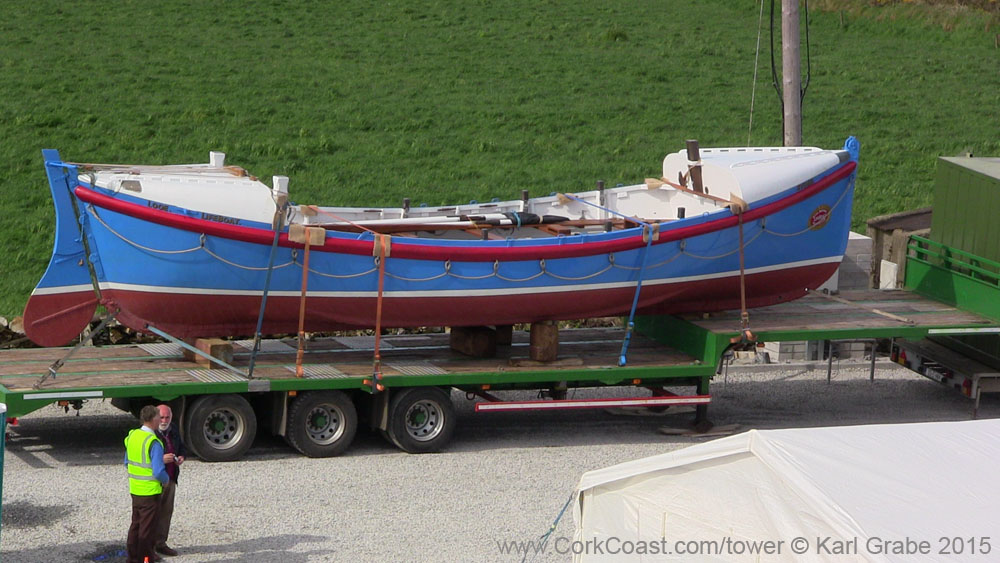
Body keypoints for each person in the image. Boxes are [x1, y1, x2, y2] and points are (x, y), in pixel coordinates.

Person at [125, 405, 169, 563]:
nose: (161, 420)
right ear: (152, 419)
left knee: (135, 526)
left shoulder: (132, 436)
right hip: (150, 492)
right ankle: (146, 559)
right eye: (159, 417)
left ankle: (132, 558)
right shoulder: (154, 442)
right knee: (147, 530)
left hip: (135, 490)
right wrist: (166, 480)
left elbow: (126, 462)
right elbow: (158, 471)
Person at [154, 404, 186, 557]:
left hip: (171, 478)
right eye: (161, 417)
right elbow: (141, 458)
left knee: (166, 512)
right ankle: (148, 547)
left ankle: (161, 543)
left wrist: (181, 457)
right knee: (151, 514)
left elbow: (181, 447)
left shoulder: (173, 429)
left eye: (167, 417)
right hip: (155, 481)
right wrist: (161, 459)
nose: (164, 420)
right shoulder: (149, 433)